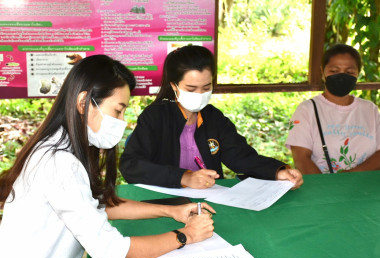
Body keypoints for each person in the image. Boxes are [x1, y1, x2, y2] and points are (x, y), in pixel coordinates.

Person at [0, 55, 215, 258]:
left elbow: (98, 205)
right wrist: (186, 236)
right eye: (117, 110)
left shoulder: (62, 146)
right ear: (84, 103)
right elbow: (113, 252)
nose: (122, 121)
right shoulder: (60, 164)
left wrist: (171, 211)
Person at [119, 45, 303, 189]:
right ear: (174, 86)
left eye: (206, 88)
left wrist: (277, 172)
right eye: (191, 89)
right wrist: (184, 177)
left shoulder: (213, 117)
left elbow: (240, 156)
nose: (200, 94)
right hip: (166, 202)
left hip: (211, 199)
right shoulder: (155, 117)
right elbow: (131, 165)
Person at [286, 44, 380, 174]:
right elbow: (301, 159)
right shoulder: (307, 110)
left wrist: (352, 175)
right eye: (334, 71)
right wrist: (328, 188)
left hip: (366, 188)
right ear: (322, 72)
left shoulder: (370, 109)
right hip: (323, 190)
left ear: (358, 73)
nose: (341, 76)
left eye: (349, 72)